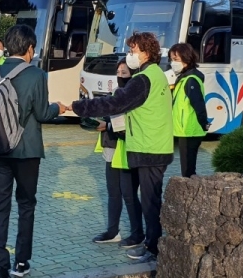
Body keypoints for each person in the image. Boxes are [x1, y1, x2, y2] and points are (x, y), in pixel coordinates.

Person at [71, 32, 173, 263]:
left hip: (149, 147)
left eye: (133, 50)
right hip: (155, 145)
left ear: (147, 52)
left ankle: (153, 247)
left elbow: (115, 103)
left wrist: (79, 106)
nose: (130, 55)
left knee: (149, 201)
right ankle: (150, 243)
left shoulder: (143, 78)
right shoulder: (156, 75)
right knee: (150, 199)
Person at [0, 24, 68, 278]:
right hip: (26, 150)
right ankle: (21, 262)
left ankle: (0, 269)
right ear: (30, 48)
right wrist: (59, 107)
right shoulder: (37, 75)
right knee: (26, 204)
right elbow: (44, 113)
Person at [92, 60, 144, 248]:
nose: (121, 76)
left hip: (127, 150)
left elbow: (129, 124)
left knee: (129, 195)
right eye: (119, 72)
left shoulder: (136, 95)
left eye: (125, 72)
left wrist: (108, 126)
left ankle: (138, 233)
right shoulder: (116, 93)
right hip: (111, 149)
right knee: (113, 193)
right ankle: (112, 231)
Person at [169, 42, 212, 177]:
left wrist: (204, 123)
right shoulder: (184, 78)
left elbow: (198, 104)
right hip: (185, 130)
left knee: (188, 170)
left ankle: (189, 193)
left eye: (176, 59)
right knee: (187, 168)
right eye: (171, 59)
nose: (172, 63)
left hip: (190, 130)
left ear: (186, 59)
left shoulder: (191, 80)